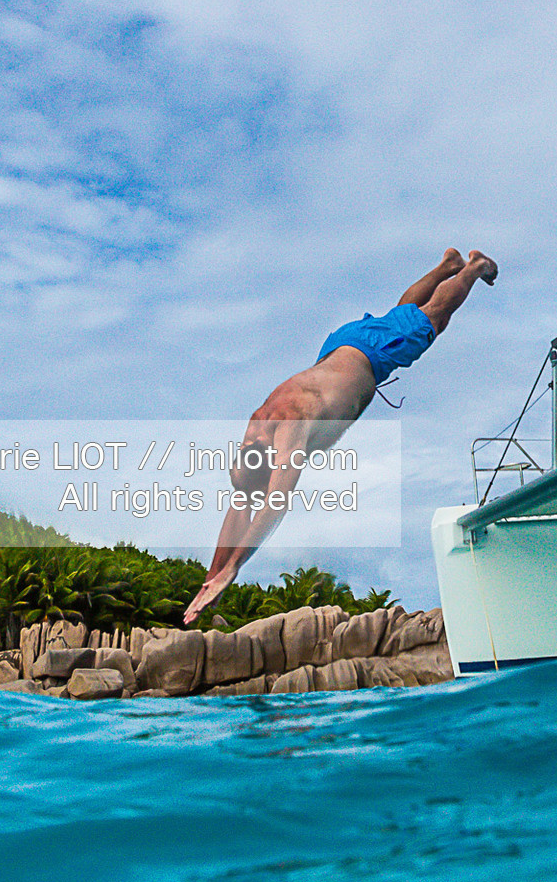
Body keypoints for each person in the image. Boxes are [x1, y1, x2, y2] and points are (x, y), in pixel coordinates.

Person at [182, 248, 498, 625]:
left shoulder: (291, 426)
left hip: (367, 356)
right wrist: (213, 577)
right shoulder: (255, 430)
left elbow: (275, 504)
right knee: (399, 317)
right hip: (340, 346)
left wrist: (234, 567)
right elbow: (241, 505)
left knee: (433, 318)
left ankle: (473, 267)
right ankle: (447, 266)